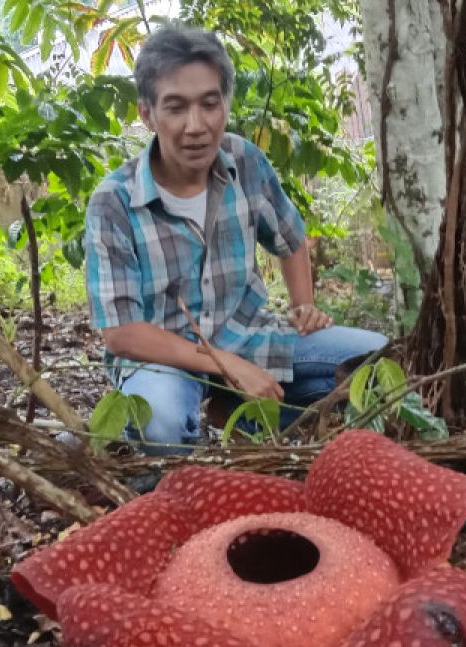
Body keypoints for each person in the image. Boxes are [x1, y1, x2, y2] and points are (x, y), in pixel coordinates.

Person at [84, 25, 387, 451]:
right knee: (162, 425)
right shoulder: (113, 202)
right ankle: (212, 411)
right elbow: (122, 334)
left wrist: (304, 306)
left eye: (210, 104)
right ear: (147, 114)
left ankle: (235, 410)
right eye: (176, 108)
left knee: (380, 362)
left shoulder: (244, 161)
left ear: (226, 102)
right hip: (162, 360)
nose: (196, 126)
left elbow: (291, 238)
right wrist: (224, 363)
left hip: (248, 334)